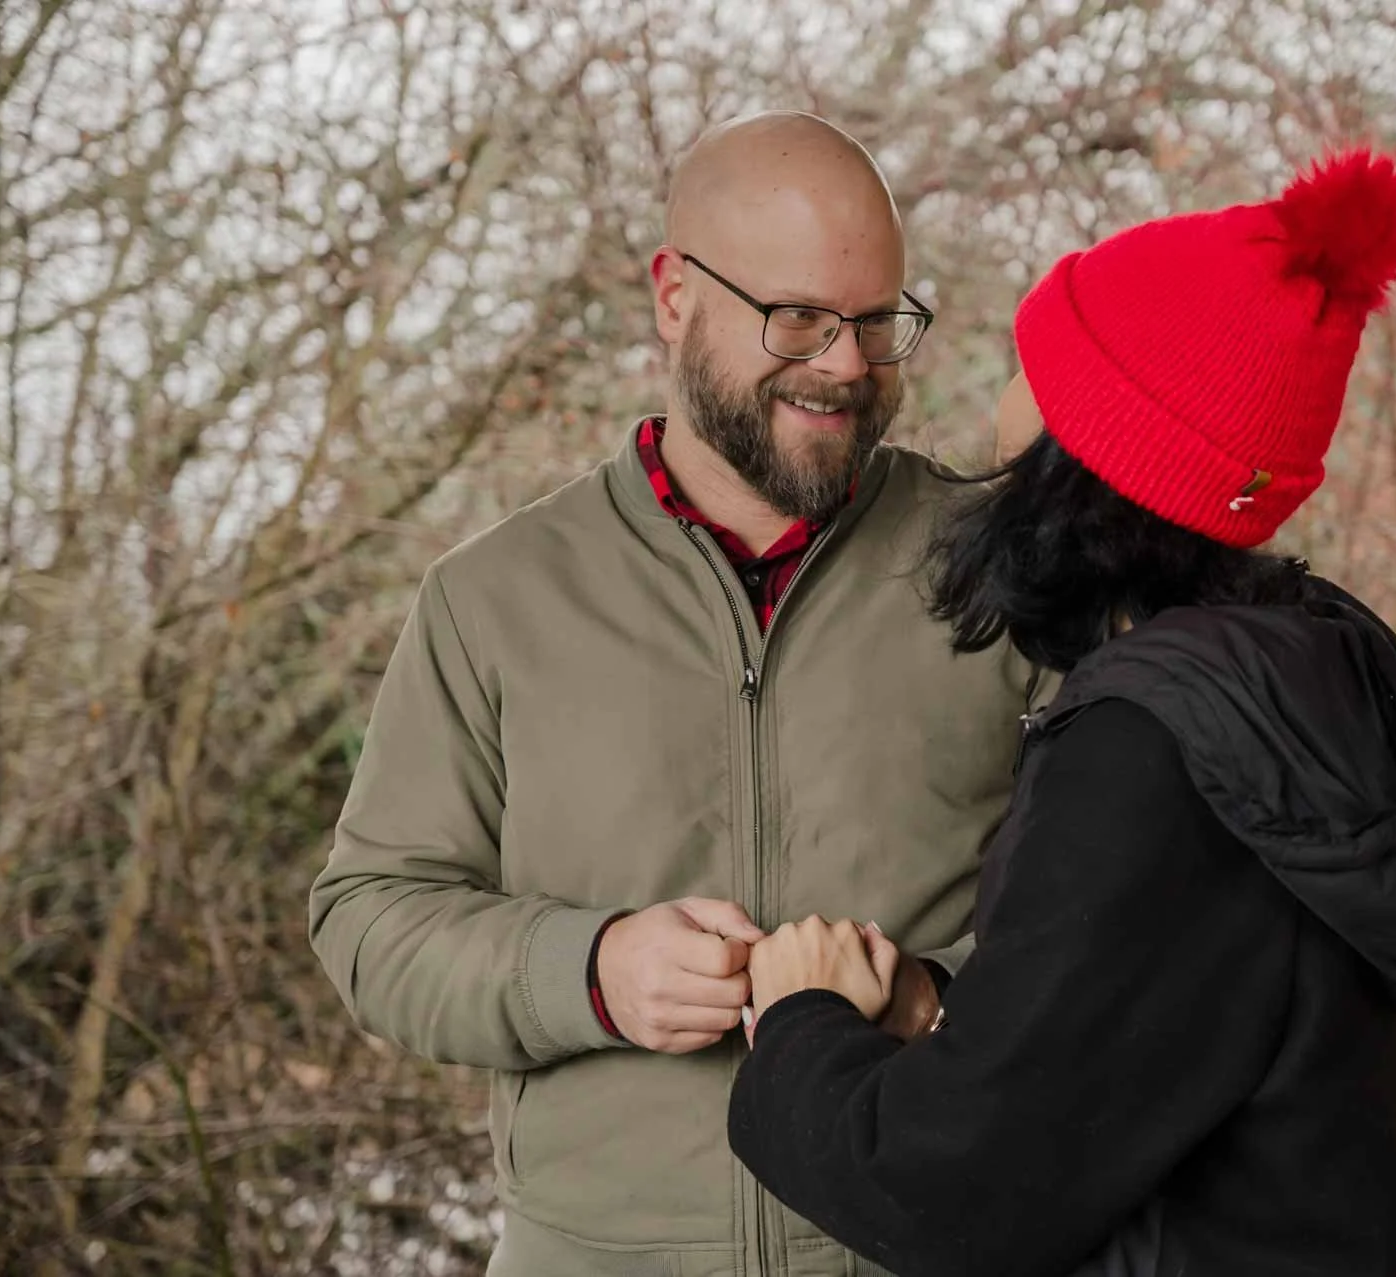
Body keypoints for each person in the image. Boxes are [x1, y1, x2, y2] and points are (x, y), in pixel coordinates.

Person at [726, 150, 1396, 1277]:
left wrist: (801, 1019)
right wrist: (947, 1012)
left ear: (1087, 450)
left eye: (1026, 368)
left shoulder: (1149, 750)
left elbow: (954, 1193)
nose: (997, 412)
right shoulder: (1311, 678)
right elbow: (1176, 1045)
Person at [307, 111, 1036, 1276]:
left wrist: (928, 996)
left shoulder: (1005, 577)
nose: (847, 363)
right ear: (673, 295)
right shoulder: (491, 599)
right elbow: (369, 920)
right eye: (797, 317)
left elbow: (1125, 924)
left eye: (876, 322)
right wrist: (588, 972)